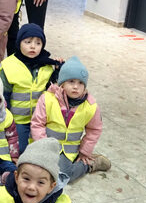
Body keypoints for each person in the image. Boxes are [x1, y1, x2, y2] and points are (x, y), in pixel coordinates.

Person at [31, 56, 111, 186]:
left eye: (80, 83)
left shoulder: (90, 106)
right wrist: (43, 146)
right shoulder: (47, 99)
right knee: (36, 171)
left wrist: (85, 151)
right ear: (62, 83)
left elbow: (94, 129)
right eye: (71, 81)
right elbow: (37, 124)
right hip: (46, 146)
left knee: (62, 176)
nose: (76, 87)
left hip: (68, 150)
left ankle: (89, 165)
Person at [0, 23, 63, 153]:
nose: (33, 46)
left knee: (46, 149)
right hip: (18, 120)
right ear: (19, 43)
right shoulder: (8, 66)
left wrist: (58, 71)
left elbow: (51, 92)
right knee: (20, 150)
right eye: (27, 42)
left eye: (38, 43)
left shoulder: (47, 65)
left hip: (41, 120)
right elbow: (2, 97)